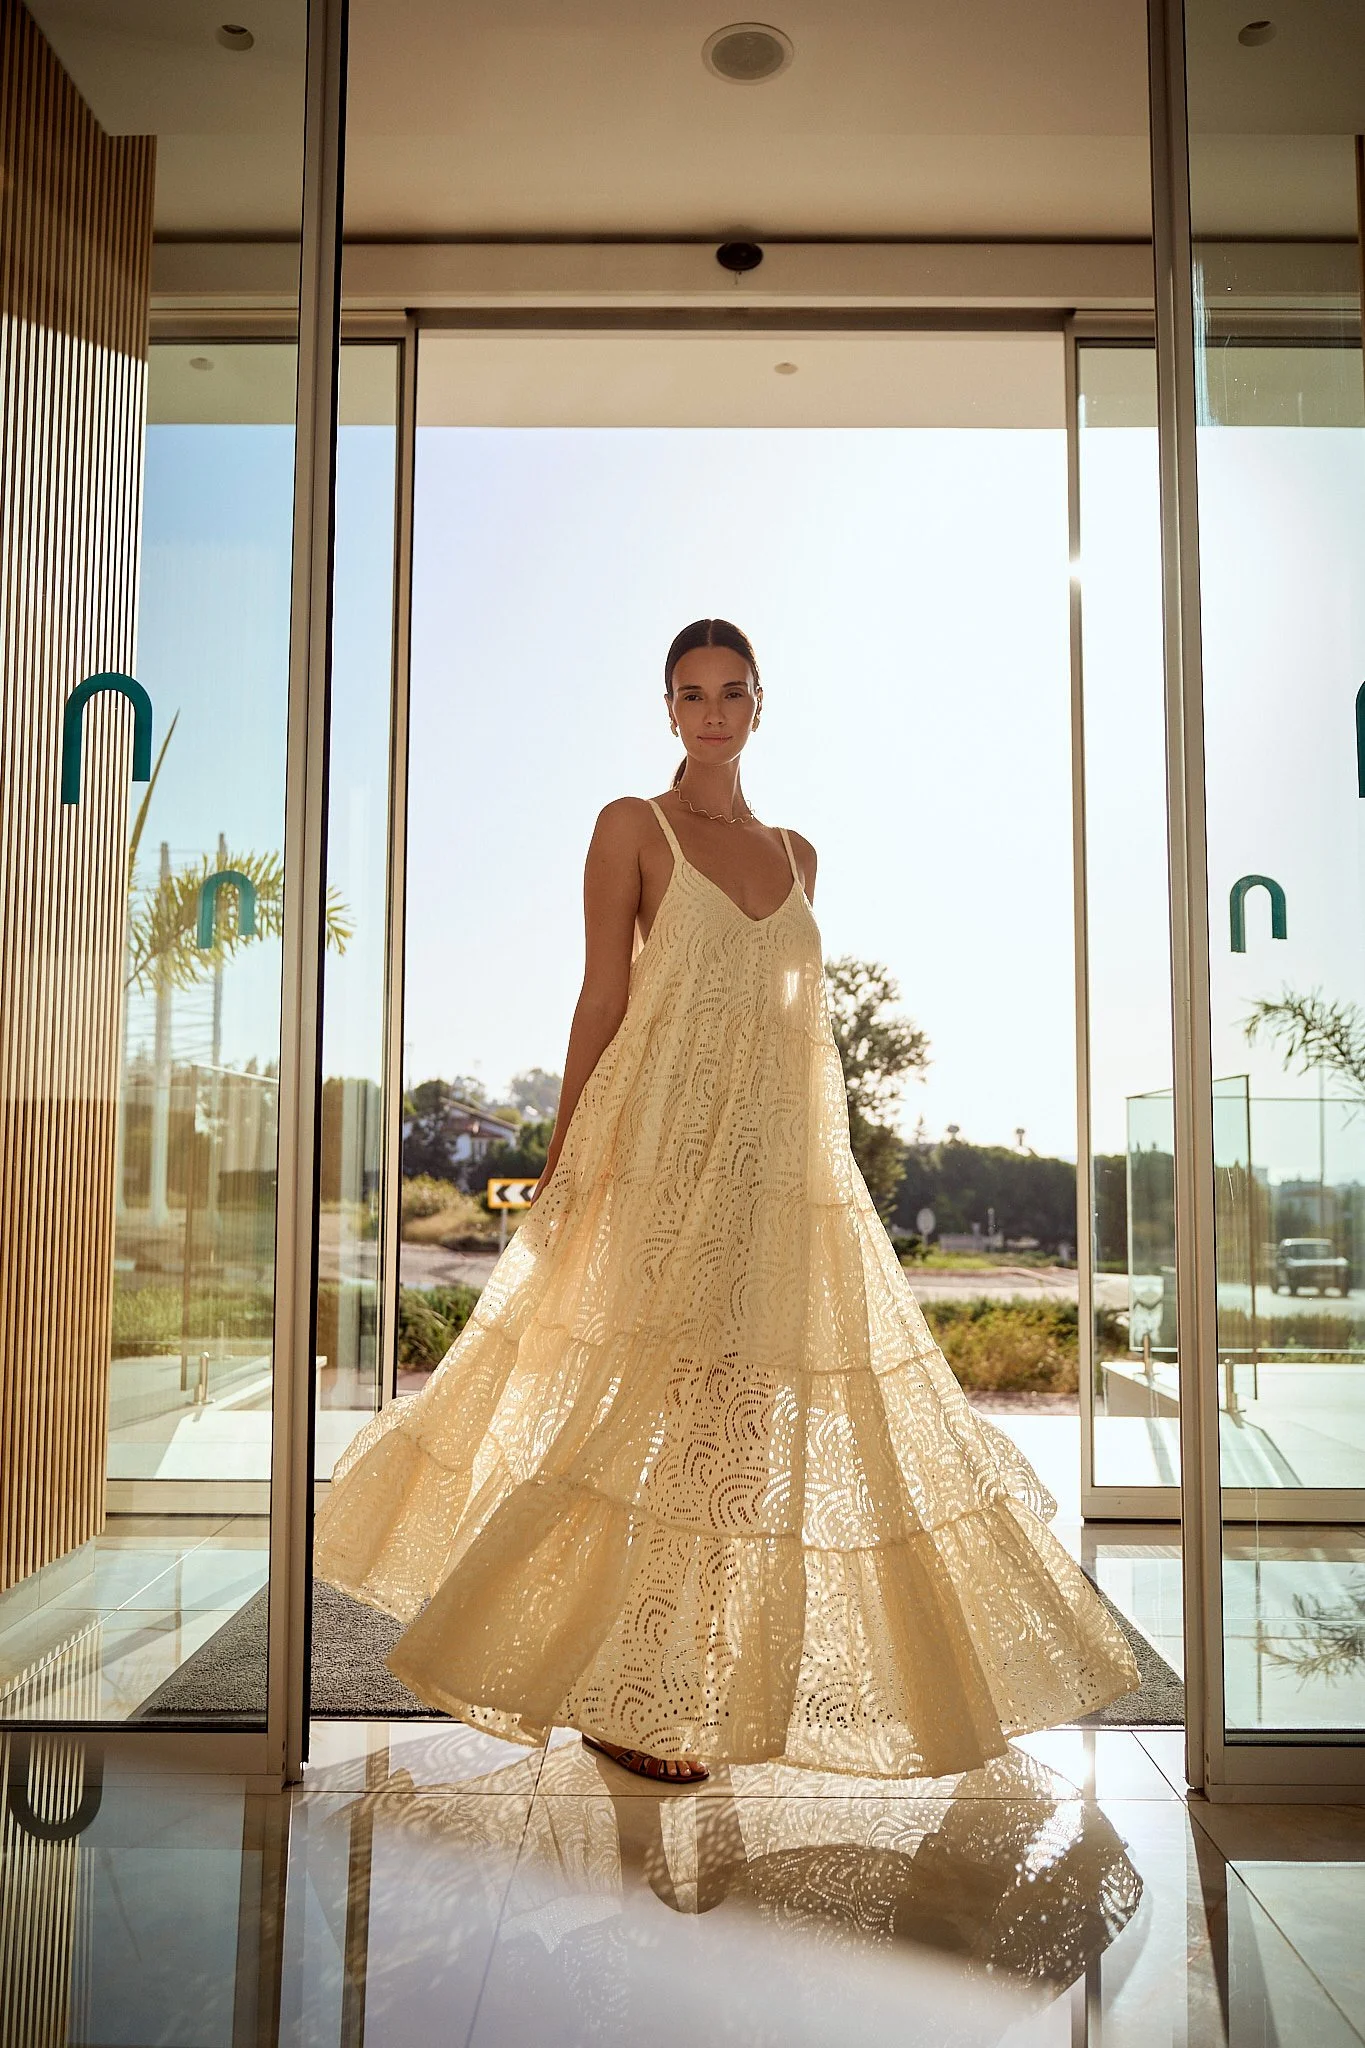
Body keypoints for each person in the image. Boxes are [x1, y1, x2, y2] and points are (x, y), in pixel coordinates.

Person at [314, 617, 1139, 1784]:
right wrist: (565, 1155)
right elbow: (604, 993)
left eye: (731, 692)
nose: (711, 711)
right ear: (668, 709)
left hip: (778, 1186)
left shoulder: (803, 854)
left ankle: (666, 1683)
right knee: (641, 1419)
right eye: (690, 693)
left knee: (740, 1442)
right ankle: (627, 1692)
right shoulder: (630, 827)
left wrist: (823, 1181)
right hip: (660, 1160)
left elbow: (806, 1041)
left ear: (761, 705)